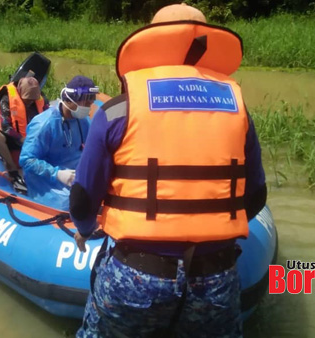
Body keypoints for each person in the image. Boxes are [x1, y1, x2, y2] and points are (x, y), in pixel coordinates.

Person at [69, 3, 267, 337]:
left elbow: (83, 197)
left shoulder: (118, 109)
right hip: (215, 277)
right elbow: (256, 196)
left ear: (153, 42)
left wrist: (85, 229)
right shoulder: (237, 109)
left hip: (137, 276)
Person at [19, 75, 98, 211]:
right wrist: (57, 174)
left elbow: (93, 147)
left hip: (74, 174)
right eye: (86, 104)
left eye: (90, 104)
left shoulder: (82, 120)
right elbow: (27, 160)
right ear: (70, 99)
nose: (88, 108)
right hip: (46, 179)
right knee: (72, 204)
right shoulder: (44, 124)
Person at [0, 76, 47, 190]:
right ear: (20, 92)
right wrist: (21, 139)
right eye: (28, 99)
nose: (30, 102)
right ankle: (12, 170)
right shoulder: (6, 100)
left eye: (33, 99)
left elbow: (48, 118)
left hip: (35, 140)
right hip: (14, 139)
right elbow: (5, 126)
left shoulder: (41, 100)